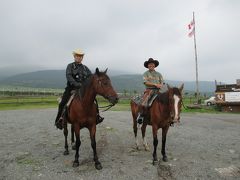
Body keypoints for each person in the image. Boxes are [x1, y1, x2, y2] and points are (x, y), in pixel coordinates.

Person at [55, 49, 104, 129]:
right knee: (63, 103)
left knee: (94, 101)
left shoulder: (85, 68)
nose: (79, 57)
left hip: (83, 90)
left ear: (82, 58)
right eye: (77, 56)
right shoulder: (70, 66)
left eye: (81, 56)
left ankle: (97, 117)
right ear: (74, 56)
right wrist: (77, 84)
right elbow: (69, 76)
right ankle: (59, 120)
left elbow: (90, 77)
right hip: (71, 88)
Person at [136, 58, 164, 124]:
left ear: (154, 65)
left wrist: (160, 85)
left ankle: (169, 118)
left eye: (152, 64)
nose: (151, 65)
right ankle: (141, 116)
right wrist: (155, 84)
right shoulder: (145, 74)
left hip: (159, 90)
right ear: (148, 66)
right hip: (149, 90)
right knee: (143, 103)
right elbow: (145, 82)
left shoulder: (159, 74)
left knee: (169, 100)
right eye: (149, 64)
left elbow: (162, 82)